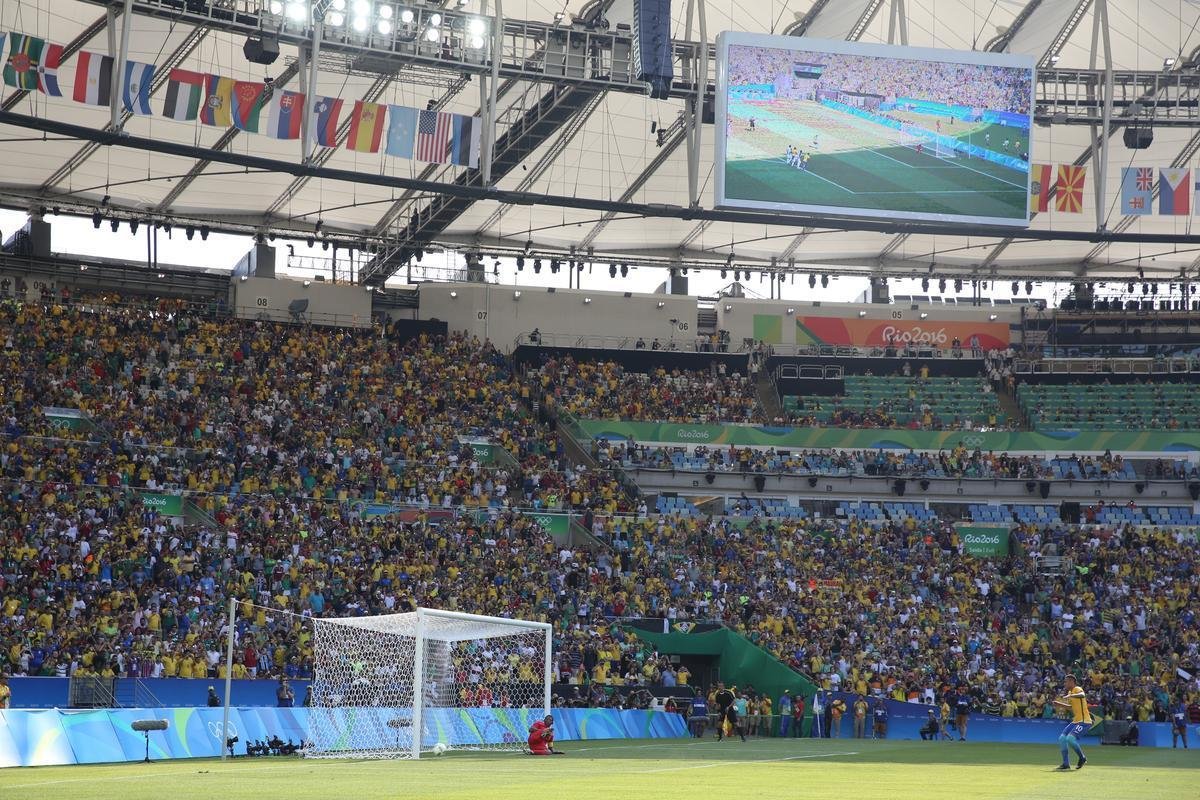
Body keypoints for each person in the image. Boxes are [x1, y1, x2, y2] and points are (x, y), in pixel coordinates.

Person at [1051, 674, 1090, 770]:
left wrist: (1071, 695)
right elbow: (1070, 707)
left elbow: (1082, 695)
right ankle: (1065, 764)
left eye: (1066, 681)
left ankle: (1082, 758)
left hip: (1084, 721)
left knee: (1070, 739)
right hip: (1076, 721)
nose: (1065, 683)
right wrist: (1059, 704)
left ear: (1071, 681)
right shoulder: (1070, 692)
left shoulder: (1077, 689)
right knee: (1062, 738)